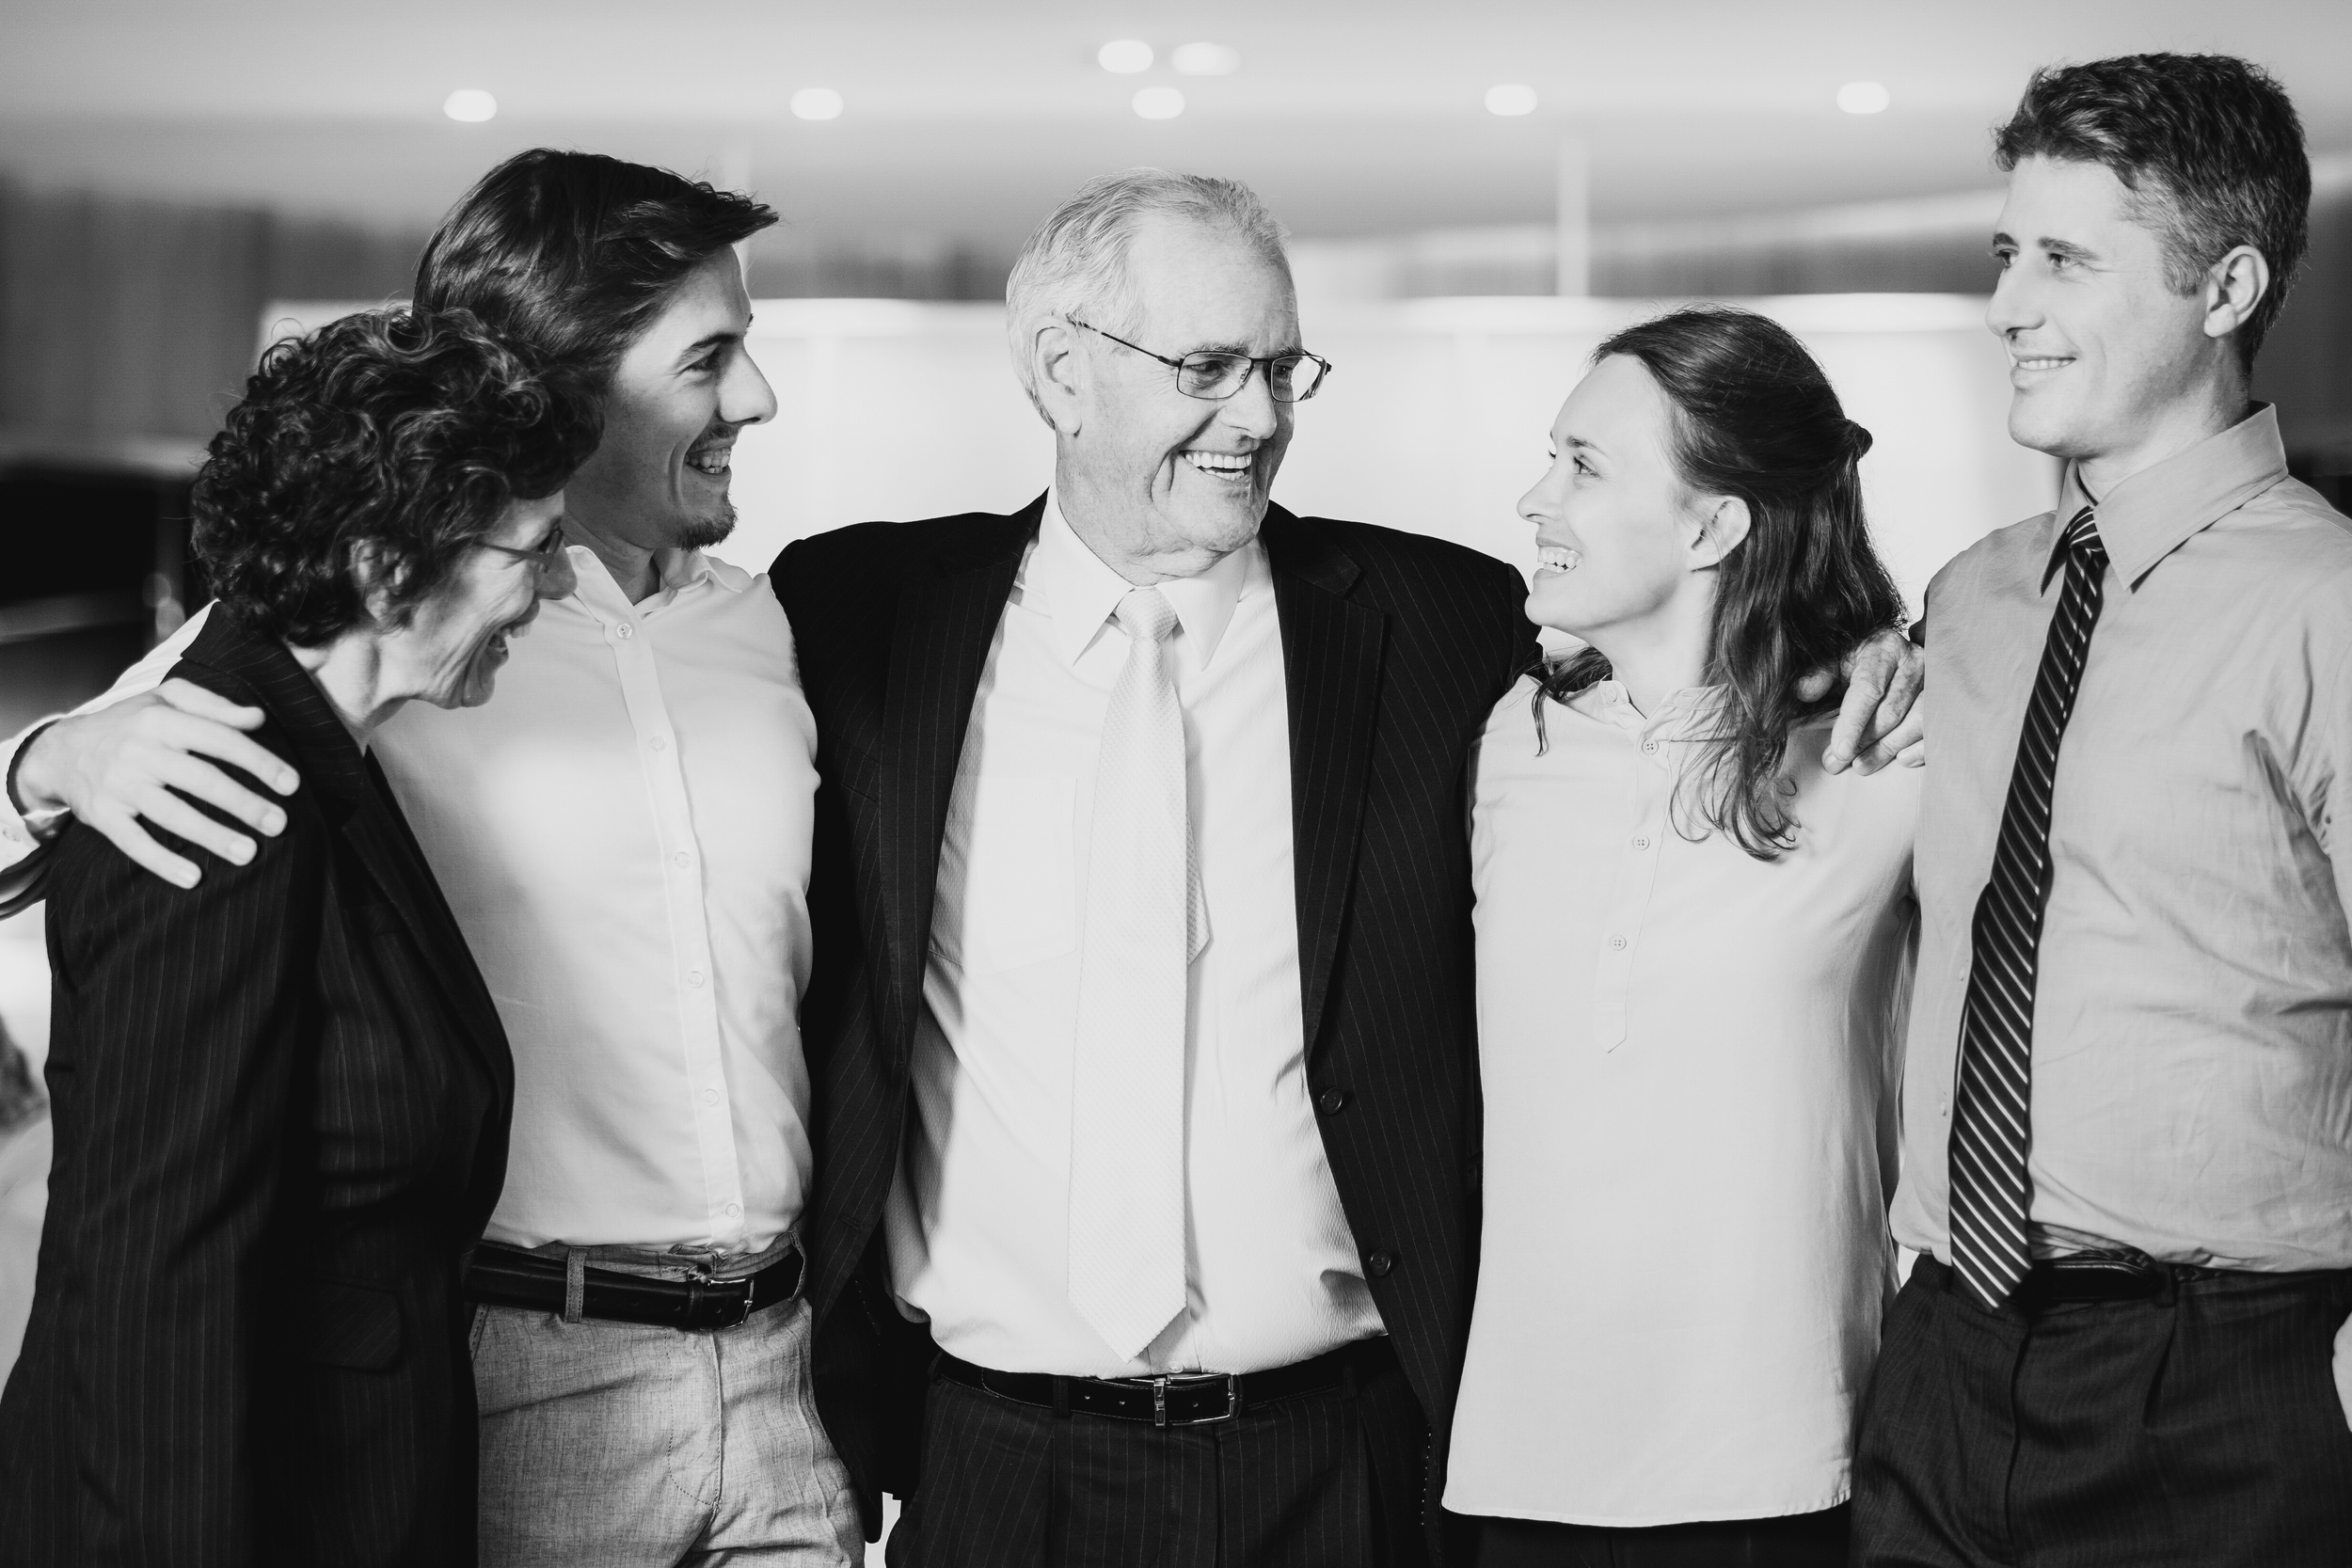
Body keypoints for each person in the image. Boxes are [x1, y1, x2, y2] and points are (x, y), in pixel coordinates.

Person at [773, 170, 1922, 1567]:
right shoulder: (855, 616)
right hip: (994, 1460)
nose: (1259, 417)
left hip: (1347, 1462)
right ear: (1061, 372)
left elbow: (1690, 673)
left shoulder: (1447, 633)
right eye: (1207, 367)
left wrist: (1873, 645)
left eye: (1281, 367)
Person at [0, 151, 865, 1566]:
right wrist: (45, 763)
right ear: (564, 382)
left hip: (784, 1380)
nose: (758, 397)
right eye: (711, 357)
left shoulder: (774, 632)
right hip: (520, 1377)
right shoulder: (405, 603)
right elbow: (188, 741)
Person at [1851, 53, 2352, 1566]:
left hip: (2232, 1373)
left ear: (2225, 286)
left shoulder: (2327, 604)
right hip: (1945, 1347)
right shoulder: (1975, 596)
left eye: (2066, 258)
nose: (2007, 303)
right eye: (2008, 253)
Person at [0, 305, 596, 1563]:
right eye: (530, 550)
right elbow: (153, 1301)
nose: (551, 588)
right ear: (385, 570)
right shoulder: (217, 788)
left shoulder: (317, 746)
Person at [1447, 306, 1916, 1568]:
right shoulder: (1511, 738)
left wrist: (1904, 657)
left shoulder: (1891, 751)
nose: (1535, 497)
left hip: (1783, 1472)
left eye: (1585, 467)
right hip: (1514, 1468)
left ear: (1713, 525)